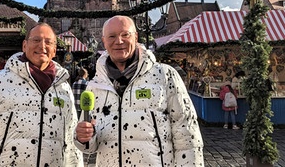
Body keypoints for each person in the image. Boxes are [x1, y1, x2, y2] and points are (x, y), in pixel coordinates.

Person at [74, 15, 204, 166]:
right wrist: (83, 138)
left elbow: (187, 136)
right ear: (104, 41)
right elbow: (90, 147)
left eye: (125, 34)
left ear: (136, 37)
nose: (119, 41)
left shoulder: (164, 75)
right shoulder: (95, 86)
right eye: (112, 36)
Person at [0, 23, 83, 166]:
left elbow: (70, 139)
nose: (42, 46)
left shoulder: (63, 87)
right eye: (36, 40)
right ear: (24, 45)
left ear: (54, 50)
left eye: (48, 42)